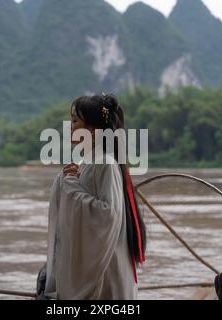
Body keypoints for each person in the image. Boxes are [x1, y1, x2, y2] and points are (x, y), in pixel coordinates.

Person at [37, 94, 146, 300]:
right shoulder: (87, 162)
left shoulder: (105, 164)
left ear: (92, 131)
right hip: (96, 268)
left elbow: (107, 215)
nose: (70, 126)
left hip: (105, 272)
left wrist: (70, 184)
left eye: (75, 121)